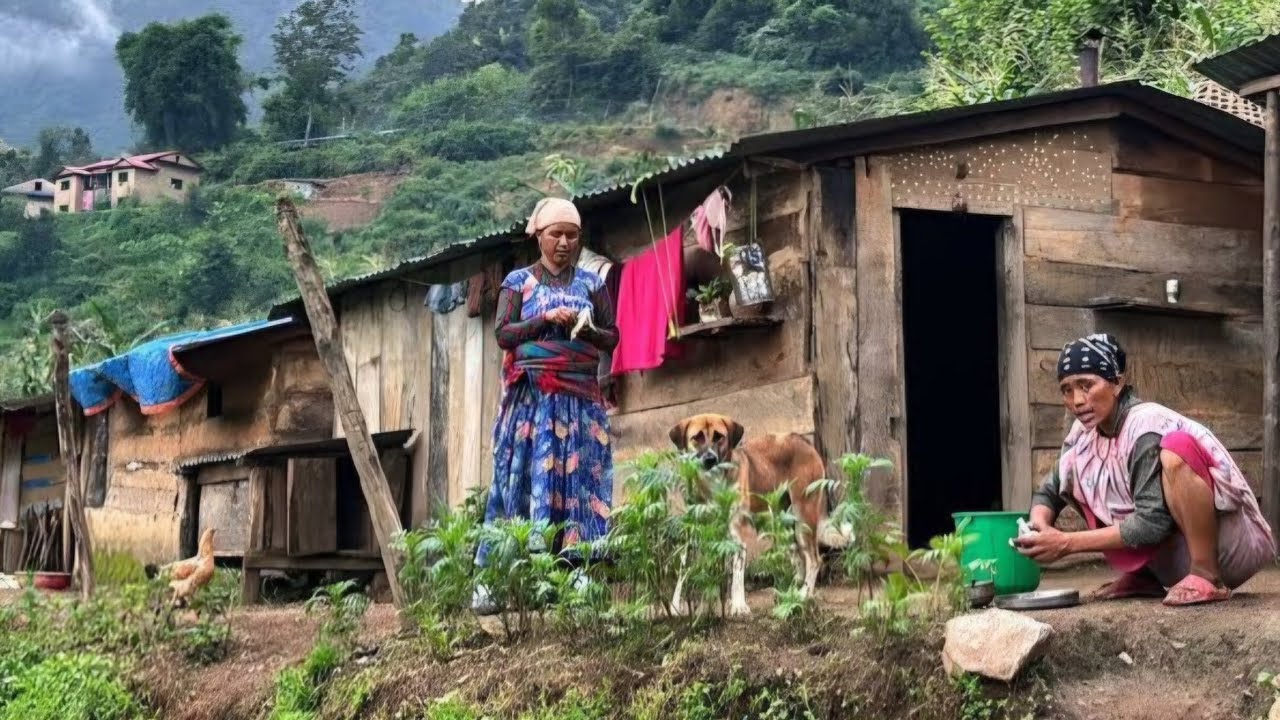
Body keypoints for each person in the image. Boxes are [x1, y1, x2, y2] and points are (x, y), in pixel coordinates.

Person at [1016, 333, 1275, 606]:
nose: (1077, 400)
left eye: (1086, 385)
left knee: (1176, 450)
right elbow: (1050, 491)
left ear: (1117, 383)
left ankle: (1206, 574)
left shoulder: (1145, 426)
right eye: (1067, 390)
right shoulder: (1082, 436)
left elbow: (1152, 524)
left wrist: (1066, 543)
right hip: (1164, 559)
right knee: (1080, 471)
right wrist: (1039, 525)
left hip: (1227, 550)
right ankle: (1143, 577)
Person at [472, 197, 618, 614]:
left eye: (572, 235)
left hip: (581, 403)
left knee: (582, 483)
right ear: (539, 236)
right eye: (556, 234)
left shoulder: (592, 284)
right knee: (520, 479)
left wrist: (587, 330)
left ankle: (577, 572)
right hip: (531, 403)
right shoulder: (518, 282)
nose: (565, 243)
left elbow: (612, 336)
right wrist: (546, 319)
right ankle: (497, 580)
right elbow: (504, 334)